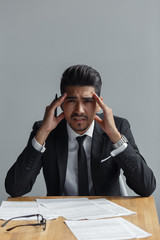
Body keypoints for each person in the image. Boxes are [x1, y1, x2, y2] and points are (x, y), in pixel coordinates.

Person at [5, 64, 156, 197]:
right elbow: (15, 188)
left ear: (98, 105)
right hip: (60, 220)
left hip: (107, 220)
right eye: (71, 101)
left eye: (87, 101)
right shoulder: (45, 131)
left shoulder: (118, 126)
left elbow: (146, 187)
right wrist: (43, 134)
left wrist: (114, 136)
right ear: (61, 104)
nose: (79, 110)